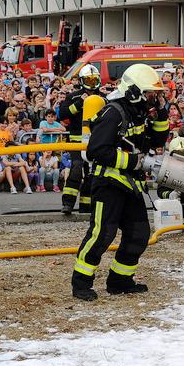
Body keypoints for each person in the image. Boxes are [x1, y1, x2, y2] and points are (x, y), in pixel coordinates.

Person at [71, 64, 168, 301]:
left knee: (139, 233)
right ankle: (81, 282)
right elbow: (96, 150)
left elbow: (156, 140)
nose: (153, 98)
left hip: (130, 184)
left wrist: (162, 114)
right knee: (102, 233)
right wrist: (132, 161)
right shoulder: (113, 112)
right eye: (150, 93)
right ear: (134, 91)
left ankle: (120, 281)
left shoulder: (140, 112)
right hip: (109, 183)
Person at [59, 64, 103, 215]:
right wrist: (79, 104)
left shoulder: (102, 99)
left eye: (94, 80)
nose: (92, 84)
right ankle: (68, 203)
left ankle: (86, 205)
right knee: (77, 167)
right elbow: (63, 114)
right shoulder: (74, 96)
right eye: (88, 80)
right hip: (77, 142)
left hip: (95, 141)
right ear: (82, 81)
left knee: (92, 172)